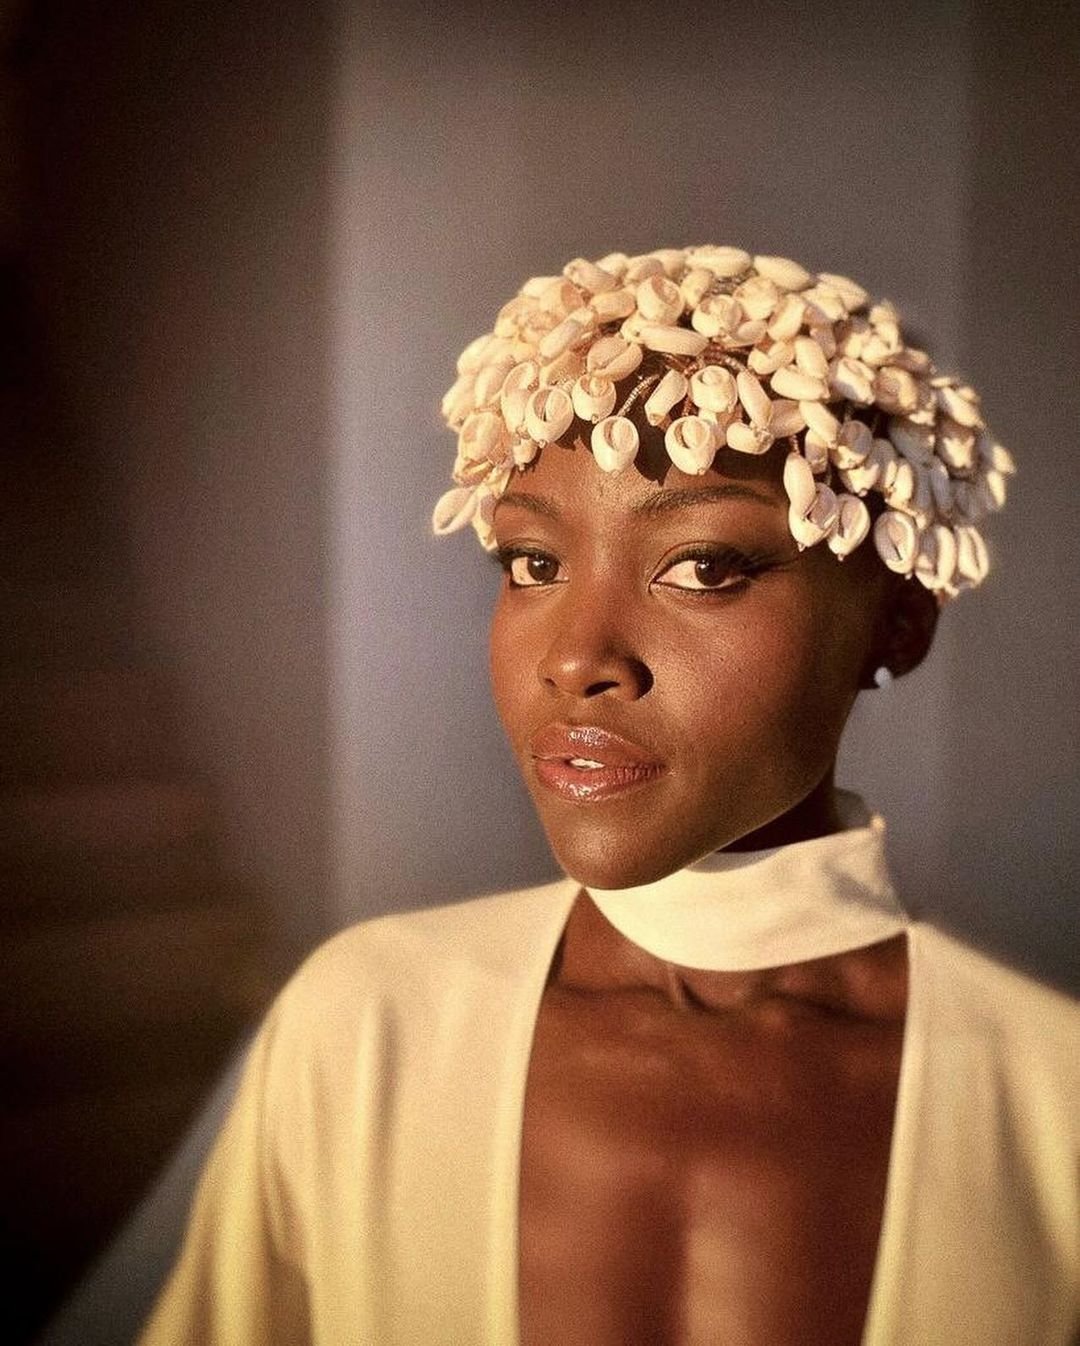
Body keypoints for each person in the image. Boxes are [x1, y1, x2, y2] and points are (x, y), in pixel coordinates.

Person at [139, 247, 1079, 1344]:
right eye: (533, 563)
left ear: (900, 622)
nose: (578, 657)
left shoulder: (1051, 1102)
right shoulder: (365, 1026)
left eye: (704, 566)